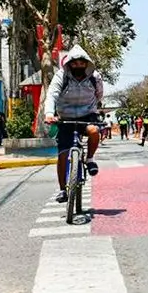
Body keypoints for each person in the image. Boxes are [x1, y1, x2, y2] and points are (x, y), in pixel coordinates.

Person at [43, 45, 105, 203]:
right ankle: (63, 190)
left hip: (88, 115)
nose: (78, 66)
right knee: (63, 155)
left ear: (87, 63)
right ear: (69, 64)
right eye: (74, 63)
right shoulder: (61, 76)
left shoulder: (95, 77)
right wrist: (49, 113)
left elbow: (99, 95)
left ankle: (90, 159)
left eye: (81, 63)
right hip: (65, 117)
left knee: (93, 131)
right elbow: (51, 95)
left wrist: (92, 108)